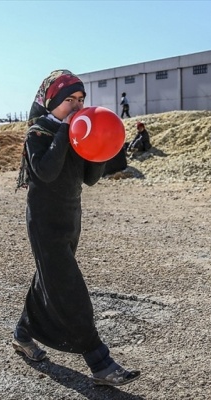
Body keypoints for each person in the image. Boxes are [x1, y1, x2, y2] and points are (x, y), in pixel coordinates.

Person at [13, 69, 140, 386]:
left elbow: (90, 179)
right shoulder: (38, 134)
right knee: (69, 289)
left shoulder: (77, 132)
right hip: (44, 221)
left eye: (81, 99)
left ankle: (22, 333)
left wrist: (100, 146)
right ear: (52, 101)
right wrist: (65, 133)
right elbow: (45, 172)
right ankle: (100, 363)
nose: (76, 105)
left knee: (50, 279)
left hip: (71, 218)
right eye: (69, 99)